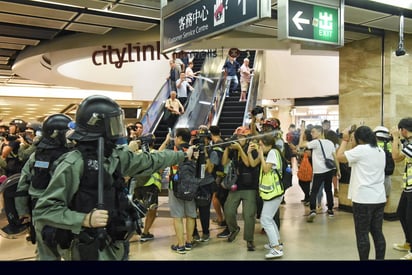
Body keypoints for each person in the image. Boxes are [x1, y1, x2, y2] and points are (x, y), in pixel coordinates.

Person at [32, 95, 191, 261]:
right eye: (113, 122)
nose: (117, 128)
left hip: (115, 242)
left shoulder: (114, 156)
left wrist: (181, 155)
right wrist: (84, 219)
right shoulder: (74, 164)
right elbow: (44, 210)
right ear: (98, 124)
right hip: (88, 247)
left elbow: (149, 160)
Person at [14, 113, 72, 260]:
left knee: (45, 253)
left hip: (39, 210)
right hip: (66, 210)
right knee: (71, 252)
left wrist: (23, 211)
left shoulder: (36, 156)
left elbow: (23, 184)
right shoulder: (72, 157)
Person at [336, 125, 386, 260]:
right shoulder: (379, 150)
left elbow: (339, 156)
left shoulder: (361, 150)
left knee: (362, 233)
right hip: (379, 198)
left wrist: (345, 140)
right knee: (377, 232)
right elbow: (354, 159)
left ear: (359, 139)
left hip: (363, 199)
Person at [219, 126, 259, 252]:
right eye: (238, 137)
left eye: (242, 137)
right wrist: (226, 147)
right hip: (235, 186)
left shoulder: (252, 148)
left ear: (247, 138)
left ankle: (249, 239)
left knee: (249, 215)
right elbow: (224, 162)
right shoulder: (233, 149)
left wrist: (240, 149)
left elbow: (248, 163)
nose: (239, 139)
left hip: (250, 187)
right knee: (228, 210)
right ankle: (234, 229)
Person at [298, 124, 341, 222]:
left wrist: (302, 133)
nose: (312, 134)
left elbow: (300, 145)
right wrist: (338, 170)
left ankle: (313, 210)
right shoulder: (330, 143)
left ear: (319, 132)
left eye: (313, 132)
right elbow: (334, 157)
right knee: (328, 190)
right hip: (329, 170)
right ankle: (330, 210)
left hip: (319, 171)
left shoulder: (316, 142)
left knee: (314, 191)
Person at [166, 128, 197, 254]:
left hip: (175, 186)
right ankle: (189, 242)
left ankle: (181, 245)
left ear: (178, 138)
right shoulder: (194, 150)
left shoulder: (174, 150)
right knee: (191, 215)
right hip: (191, 186)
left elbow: (160, 155)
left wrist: (166, 141)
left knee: (177, 216)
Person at [256, 134, 284, 259]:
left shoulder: (272, 152)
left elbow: (266, 169)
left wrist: (261, 155)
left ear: (268, 144)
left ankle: (276, 248)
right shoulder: (274, 152)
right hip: (274, 192)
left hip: (273, 193)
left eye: (261, 145)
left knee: (265, 220)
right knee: (270, 219)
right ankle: (277, 243)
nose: (259, 147)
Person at [390, 117, 412, 260]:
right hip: (408, 186)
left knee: (410, 218)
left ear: (403, 130)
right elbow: (400, 158)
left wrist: (395, 138)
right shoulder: (409, 144)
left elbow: (395, 156)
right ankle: (409, 243)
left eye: (399, 131)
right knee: (402, 213)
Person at [373, 126, 394, 200]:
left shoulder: (373, 146)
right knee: (386, 197)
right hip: (386, 175)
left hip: (374, 177)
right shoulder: (391, 145)